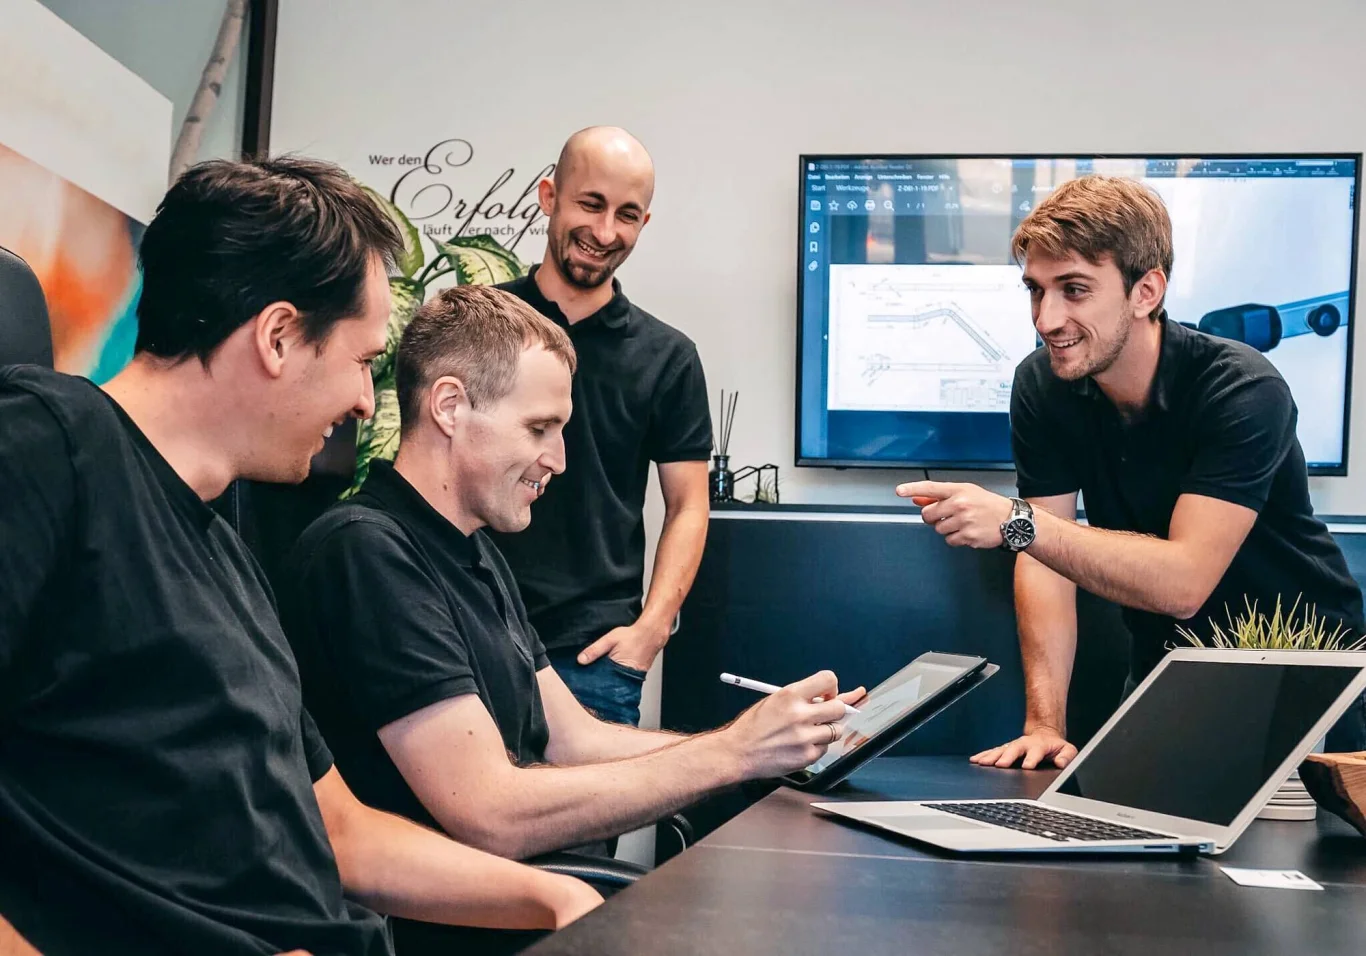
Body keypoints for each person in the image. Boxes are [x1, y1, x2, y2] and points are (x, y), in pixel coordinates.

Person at [0, 158, 601, 956]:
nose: (365, 401)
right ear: (279, 337)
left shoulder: (226, 554)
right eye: (362, 362)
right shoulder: (44, 448)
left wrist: (553, 895)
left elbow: (341, 832)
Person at [283, 285, 863, 873]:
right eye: (539, 428)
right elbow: (490, 812)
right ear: (450, 406)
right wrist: (733, 754)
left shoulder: (474, 552)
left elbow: (575, 741)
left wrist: (767, 745)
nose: (559, 460)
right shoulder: (368, 554)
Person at [895, 175, 1366, 770]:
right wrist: (1045, 725)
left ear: (1146, 292)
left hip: (1300, 665)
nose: (1046, 319)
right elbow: (1043, 559)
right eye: (1036, 290)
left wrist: (1017, 523)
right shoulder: (1044, 384)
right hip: (1166, 664)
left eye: (1074, 290)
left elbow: (1183, 584)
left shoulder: (1243, 388)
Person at [489, 126, 712, 726]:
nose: (606, 232)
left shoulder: (669, 357)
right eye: (590, 204)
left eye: (627, 215)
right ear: (549, 197)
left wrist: (651, 631)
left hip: (592, 660)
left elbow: (689, 505)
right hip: (471, 636)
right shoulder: (480, 328)